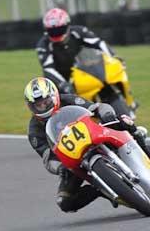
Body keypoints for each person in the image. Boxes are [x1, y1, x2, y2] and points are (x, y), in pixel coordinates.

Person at [25, 77, 148, 213]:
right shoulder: (34, 131)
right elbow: (48, 157)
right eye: (38, 105)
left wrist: (106, 113)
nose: (43, 106)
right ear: (31, 106)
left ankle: (142, 144)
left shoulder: (69, 99)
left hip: (94, 133)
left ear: (54, 96)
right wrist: (60, 167)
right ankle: (102, 188)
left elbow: (95, 107)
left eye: (46, 101)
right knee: (65, 202)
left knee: (125, 122)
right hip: (72, 159)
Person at [36, 7, 116, 94]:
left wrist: (113, 58)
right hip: (61, 80)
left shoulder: (78, 32)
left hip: (85, 70)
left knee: (110, 79)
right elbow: (48, 69)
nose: (56, 33)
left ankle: (129, 102)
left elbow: (99, 43)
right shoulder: (43, 45)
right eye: (52, 31)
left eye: (59, 29)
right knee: (60, 102)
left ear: (67, 25)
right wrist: (63, 84)